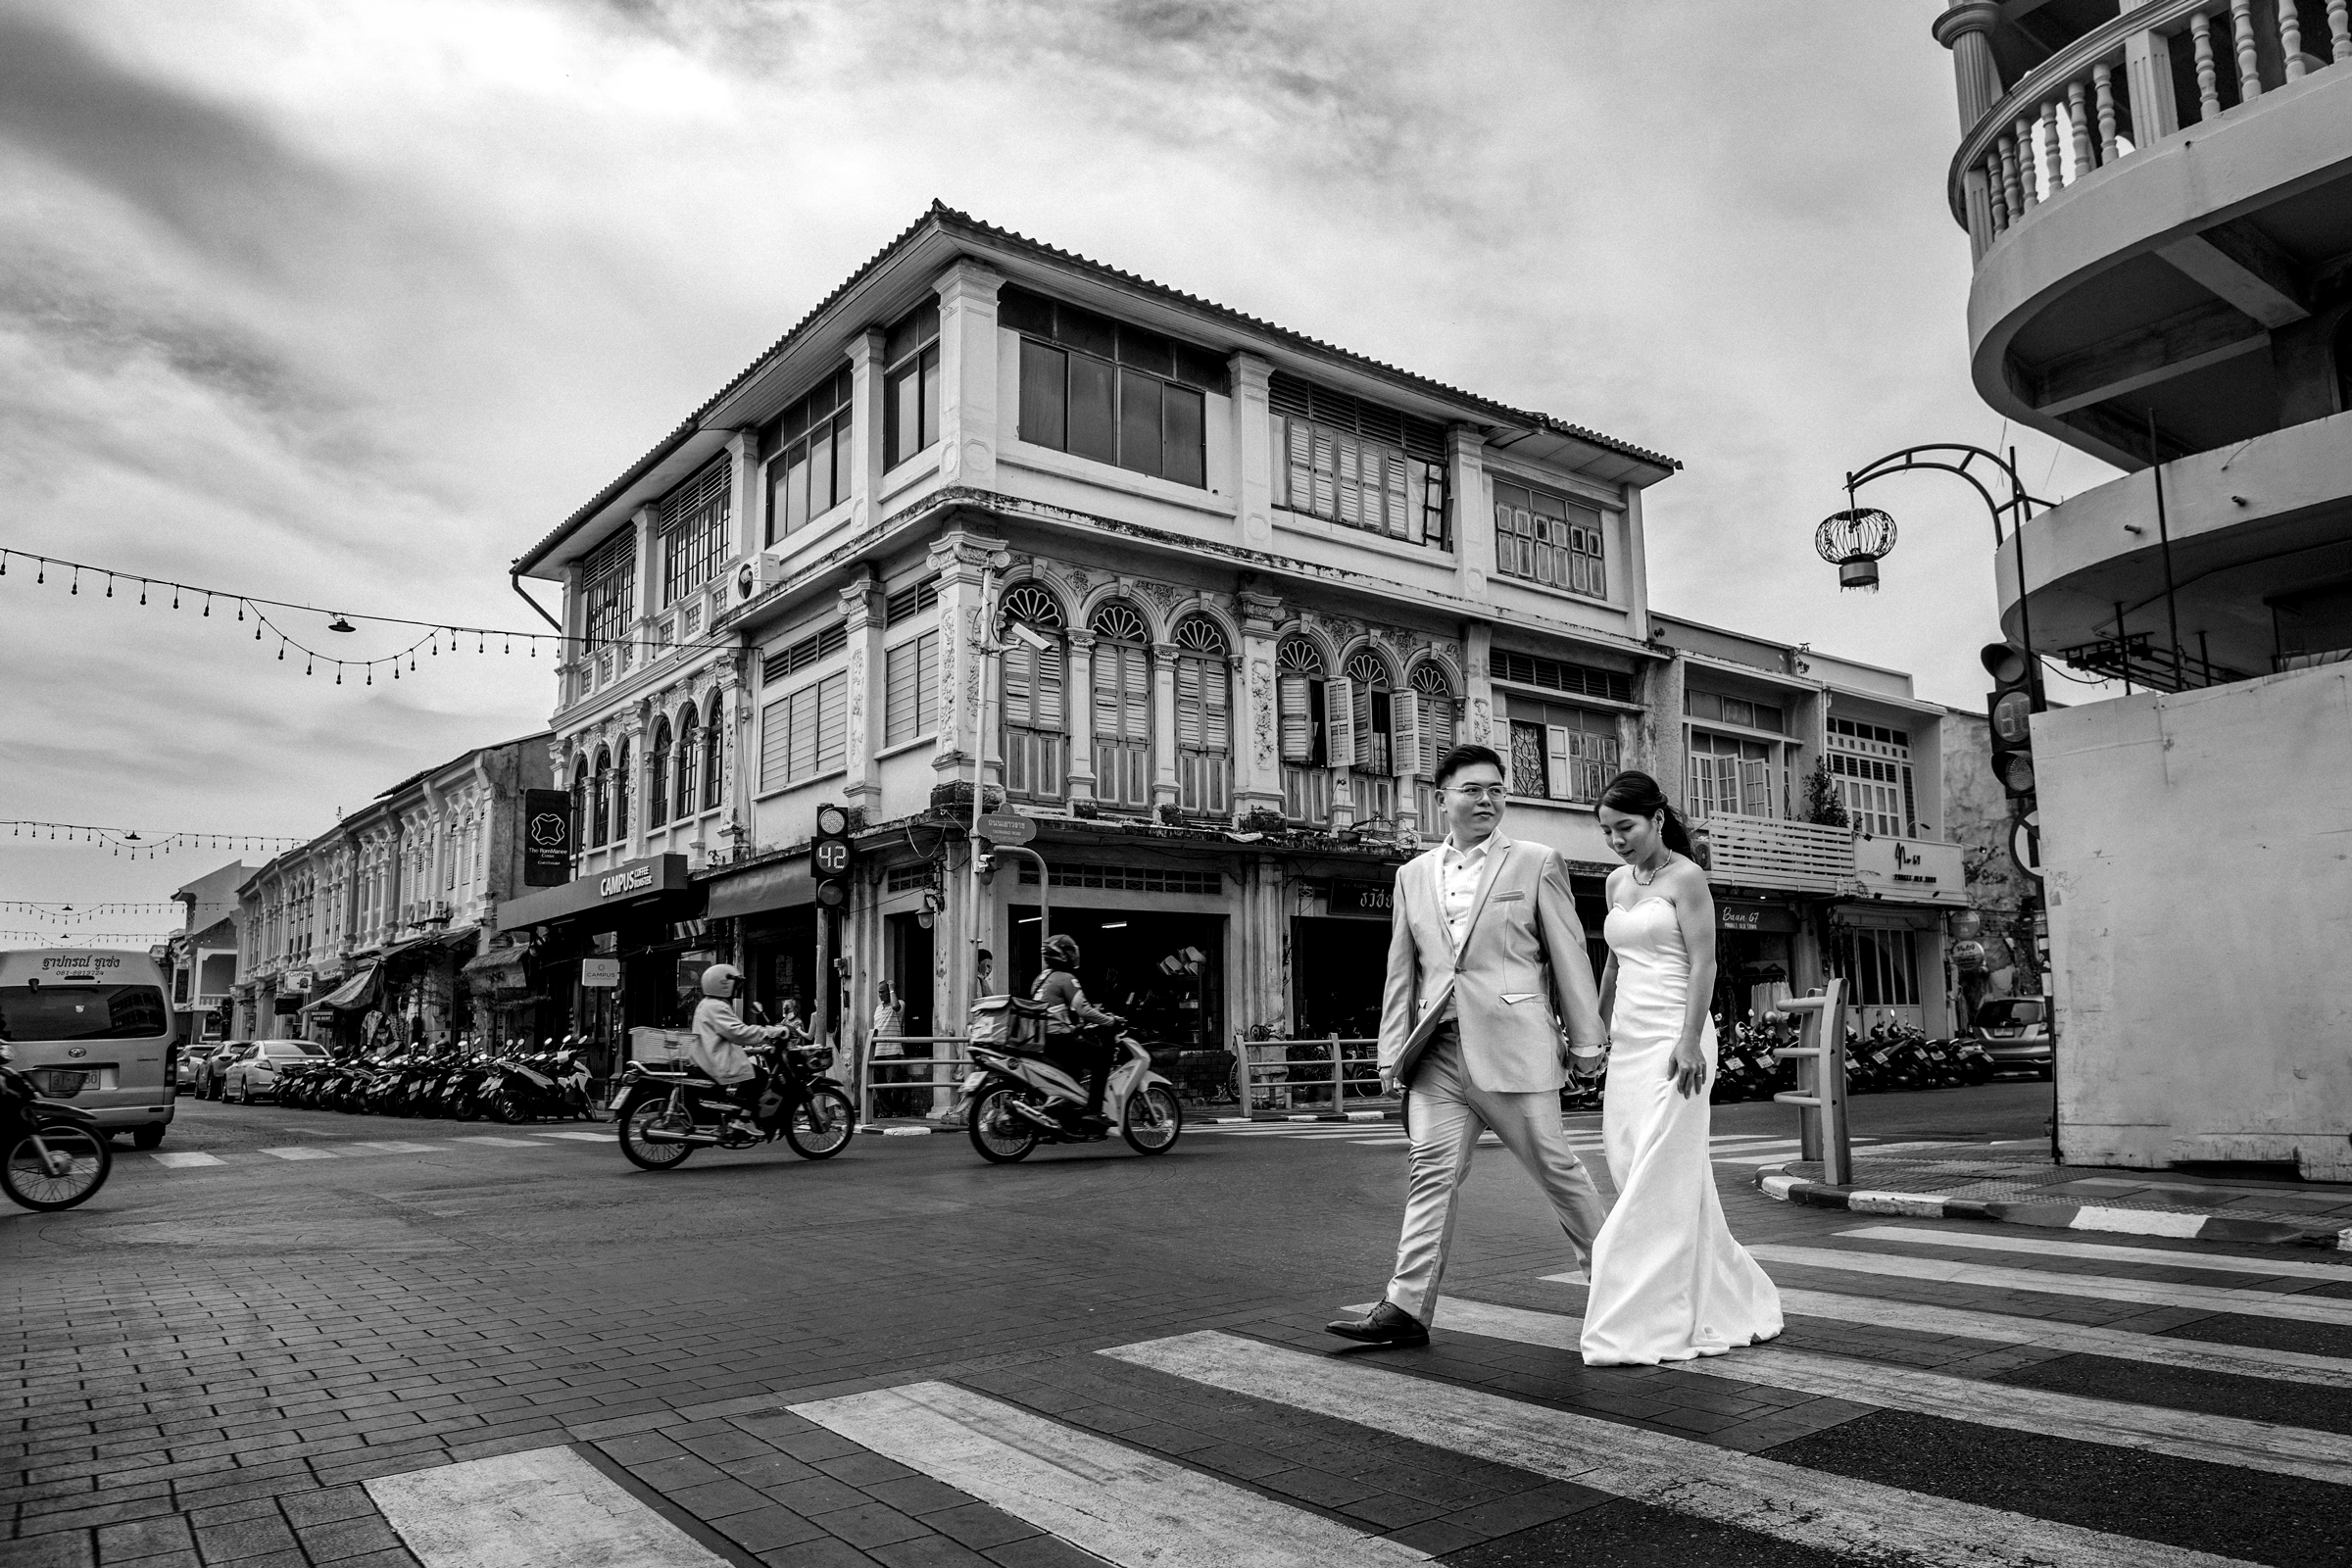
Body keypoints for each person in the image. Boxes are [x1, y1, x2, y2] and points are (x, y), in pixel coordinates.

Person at [1328, 742, 1612, 1349]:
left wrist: (1588, 1041)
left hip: (1516, 1048)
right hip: (1438, 1054)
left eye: (1495, 789)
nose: (1486, 800)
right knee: (1429, 1172)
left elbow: (1570, 958)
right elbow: (1402, 973)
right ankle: (1405, 1307)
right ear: (1442, 800)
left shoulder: (1536, 861)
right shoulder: (1412, 875)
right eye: (1472, 790)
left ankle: (1618, 1285)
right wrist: (1389, 1051)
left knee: (1557, 1172)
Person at [1580, 769, 1783, 1365]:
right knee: (1630, 1163)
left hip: (1677, 1040)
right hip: (1629, 1043)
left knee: (1658, 1176)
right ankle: (1717, 1295)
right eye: (1607, 831)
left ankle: (1640, 1316)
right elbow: (1612, 966)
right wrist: (1593, 1032)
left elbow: (1704, 965)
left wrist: (1691, 1039)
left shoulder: (1688, 878)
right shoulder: (1617, 882)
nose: (1617, 841)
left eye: (1626, 827)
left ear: (1657, 819)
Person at [1032, 933, 1122, 1128]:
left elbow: (1057, 1011)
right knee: (1103, 1058)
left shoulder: (1040, 979)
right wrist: (1110, 1021)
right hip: (1059, 1040)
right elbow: (1084, 1009)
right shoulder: (1066, 978)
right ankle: (1094, 1111)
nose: (1074, 955)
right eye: (1070, 951)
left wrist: (1078, 1026)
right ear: (1062, 955)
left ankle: (1067, 1112)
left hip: (1043, 1041)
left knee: (1075, 1070)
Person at [687, 963, 785, 1136]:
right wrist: (770, 1031)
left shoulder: (707, 1004)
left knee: (749, 1078)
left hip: (708, 1057)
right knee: (759, 1077)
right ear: (723, 984)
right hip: (716, 1061)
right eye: (736, 984)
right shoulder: (717, 1006)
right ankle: (743, 1120)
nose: (737, 989)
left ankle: (734, 1117)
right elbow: (737, 1032)